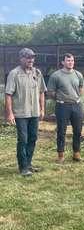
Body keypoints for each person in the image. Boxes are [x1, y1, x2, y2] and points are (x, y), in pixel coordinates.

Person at [5, 48, 47, 176]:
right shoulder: (14, 73)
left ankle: (28, 164)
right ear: (21, 58)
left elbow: (41, 92)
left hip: (34, 112)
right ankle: (23, 167)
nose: (31, 60)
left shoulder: (37, 73)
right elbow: (8, 95)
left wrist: (42, 109)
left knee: (33, 138)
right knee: (23, 139)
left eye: (32, 57)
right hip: (21, 113)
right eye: (28, 57)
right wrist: (10, 113)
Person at [47, 53, 84, 163]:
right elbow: (50, 92)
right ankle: (60, 155)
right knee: (61, 131)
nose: (71, 62)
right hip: (62, 106)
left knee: (78, 131)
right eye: (68, 60)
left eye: (72, 60)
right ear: (63, 62)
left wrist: (77, 95)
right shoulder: (56, 75)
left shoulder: (78, 74)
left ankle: (76, 154)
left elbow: (81, 87)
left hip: (77, 105)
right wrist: (60, 98)